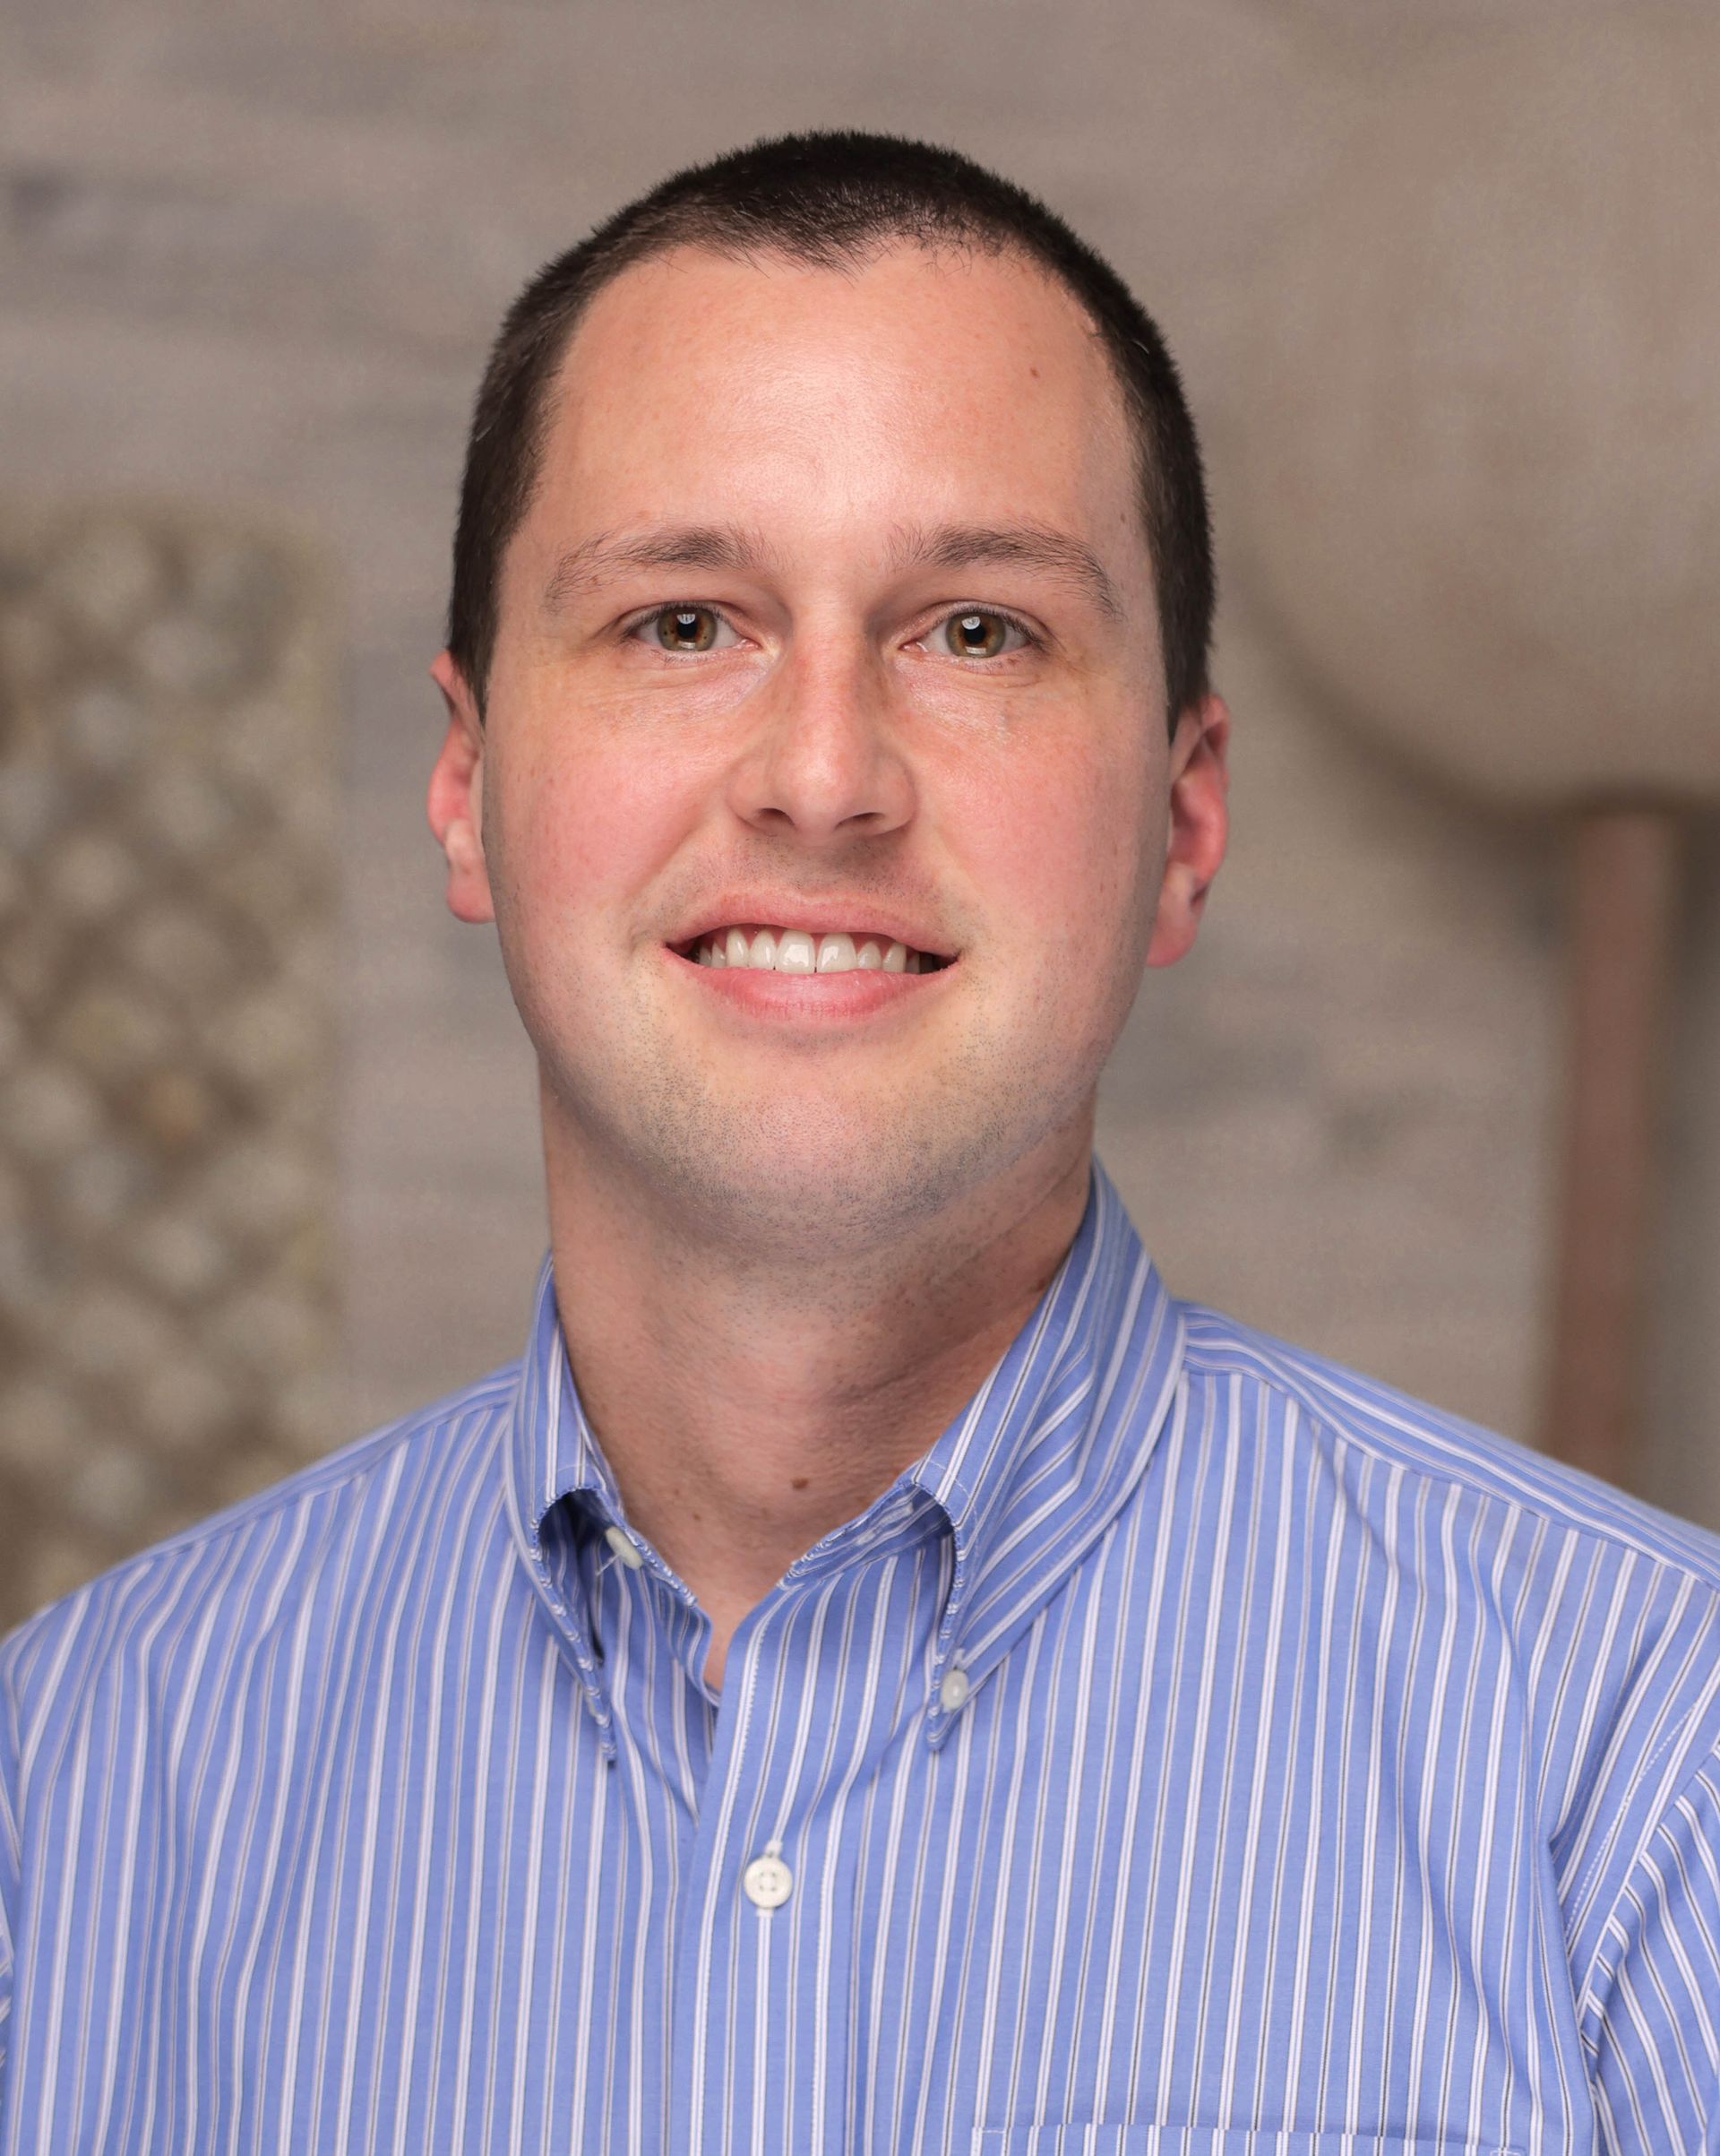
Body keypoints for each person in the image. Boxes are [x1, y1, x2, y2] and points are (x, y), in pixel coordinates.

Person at [2, 131, 1716, 2156]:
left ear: (1182, 820)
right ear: (468, 784)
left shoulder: (1642, 1767)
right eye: (679, 624)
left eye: (976, 631)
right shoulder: (79, 1786)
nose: (823, 777)